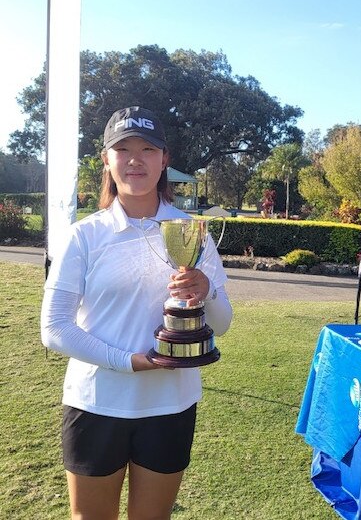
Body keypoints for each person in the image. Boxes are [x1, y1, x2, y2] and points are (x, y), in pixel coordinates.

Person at [41, 106, 233, 520]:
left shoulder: (192, 231)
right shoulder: (84, 236)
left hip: (170, 403)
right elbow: (54, 329)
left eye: (148, 149)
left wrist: (207, 292)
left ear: (164, 159)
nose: (135, 159)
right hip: (96, 402)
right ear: (106, 159)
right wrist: (128, 362)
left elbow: (221, 324)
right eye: (122, 148)